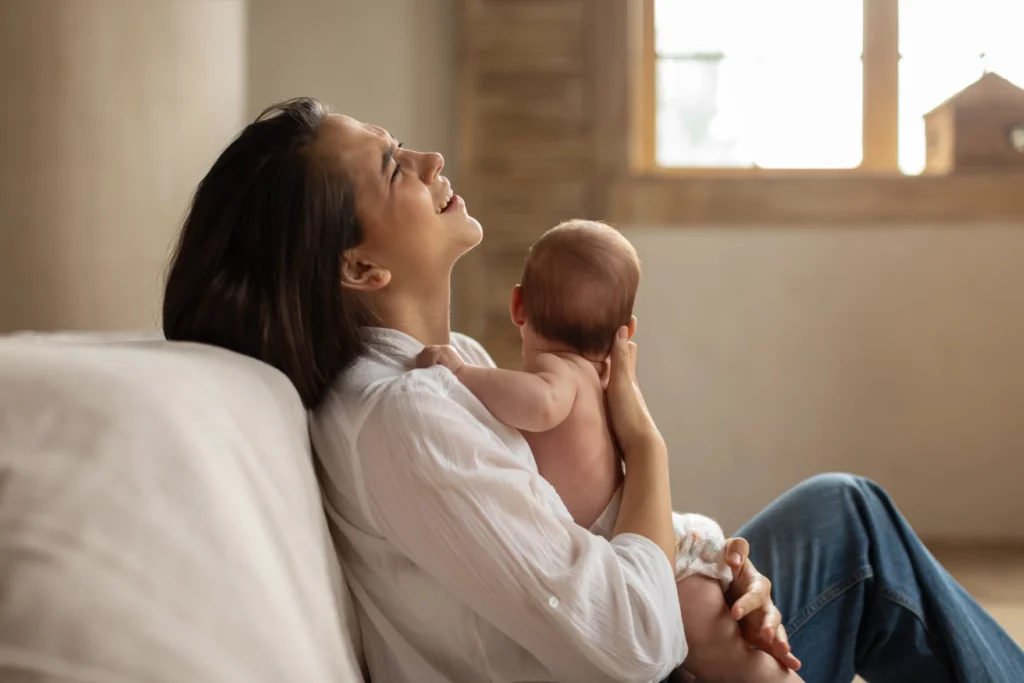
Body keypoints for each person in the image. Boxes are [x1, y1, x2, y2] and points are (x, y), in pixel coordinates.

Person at [162, 98, 1024, 683]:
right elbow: (637, 639)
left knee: (842, 512)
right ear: (360, 266)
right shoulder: (409, 415)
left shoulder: (439, 368)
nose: (427, 159)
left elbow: (589, 544)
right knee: (855, 527)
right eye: (393, 168)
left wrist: (719, 575)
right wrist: (646, 445)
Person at [415, 218, 800, 682]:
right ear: (627, 330)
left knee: (731, 654)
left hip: (660, 560)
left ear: (517, 305)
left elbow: (540, 405)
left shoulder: (559, 376)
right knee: (736, 654)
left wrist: (460, 373)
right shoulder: (597, 381)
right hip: (665, 542)